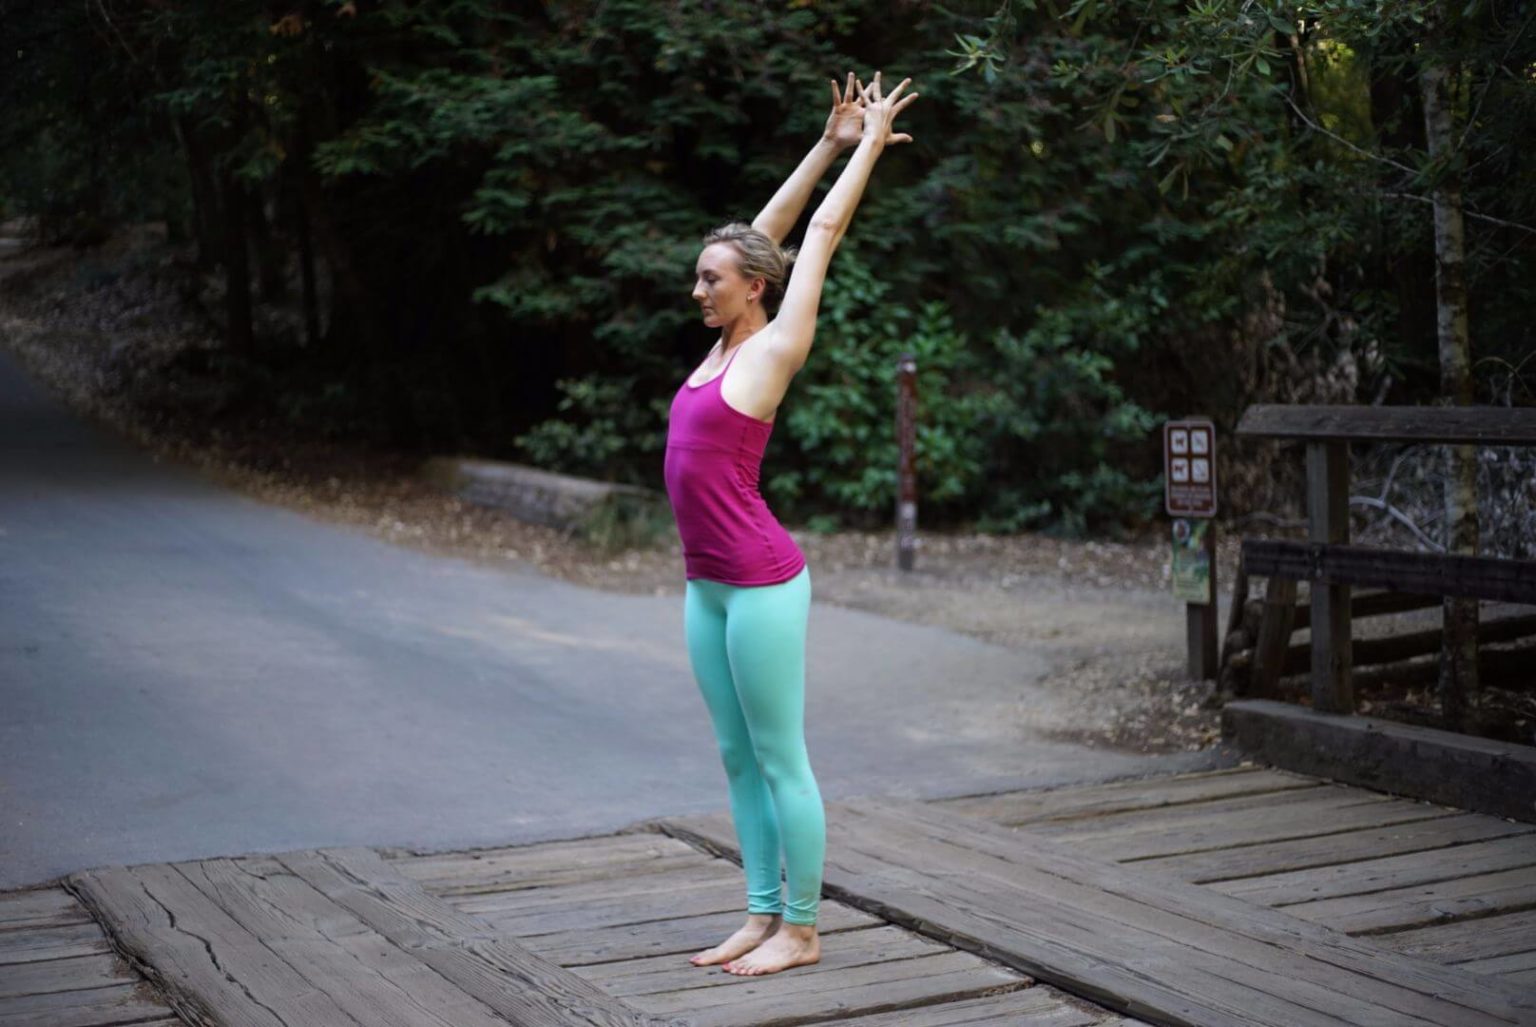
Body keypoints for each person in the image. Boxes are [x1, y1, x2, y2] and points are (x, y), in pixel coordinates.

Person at [663, 69, 918, 977]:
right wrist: (826, 141)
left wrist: (870, 151)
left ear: (751, 292)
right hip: (707, 586)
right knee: (737, 757)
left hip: (763, 583)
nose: (698, 289)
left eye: (710, 279)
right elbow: (758, 238)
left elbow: (816, 234)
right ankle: (760, 912)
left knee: (780, 758)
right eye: (700, 276)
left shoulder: (773, 347)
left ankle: (803, 930)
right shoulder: (722, 339)